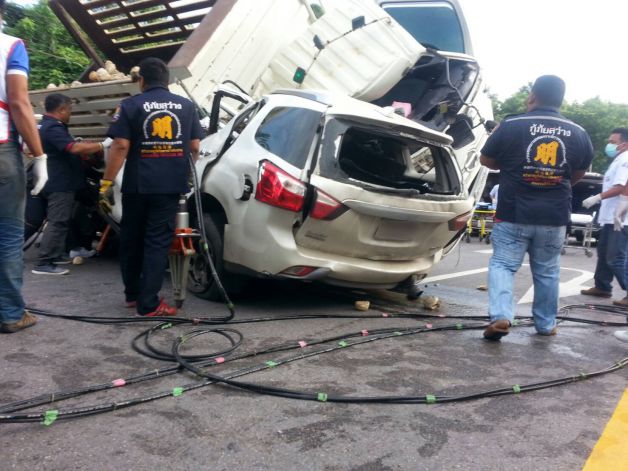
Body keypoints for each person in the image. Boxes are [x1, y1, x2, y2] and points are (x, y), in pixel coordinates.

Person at [479, 75, 594, 341]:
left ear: (532, 96)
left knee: (504, 265)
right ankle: (545, 325)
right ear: (561, 99)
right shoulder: (578, 132)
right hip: (554, 215)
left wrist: (511, 167)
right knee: (547, 270)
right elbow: (577, 174)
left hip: (512, 212)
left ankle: (501, 317)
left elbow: (486, 160)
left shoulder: (511, 125)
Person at [101, 57, 202, 316]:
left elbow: (120, 146)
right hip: (168, 186)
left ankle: (133, 296)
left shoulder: (129, 105)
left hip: (136, 185)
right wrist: (185, 172)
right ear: (167, 81)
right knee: (157, 242)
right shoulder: (186, 106)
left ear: (142, 81)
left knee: (132, 239)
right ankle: (149, 304)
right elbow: (194, 147)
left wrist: (106, 183)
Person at [0, 0, 48, 333]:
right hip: (2, 151)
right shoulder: (11, 46)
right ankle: (11, 313)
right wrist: (40, 155)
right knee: (7, 235)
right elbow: (18, 102)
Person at [32, 93, 112, 275]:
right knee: (58, 221)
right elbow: (73, 148)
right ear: (61, 110)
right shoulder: (52, 128)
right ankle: (44, 263)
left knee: (64, 219)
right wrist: (103, 145)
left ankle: (57, 254)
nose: (70, 114)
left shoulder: (48, 126)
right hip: (59, 183)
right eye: (69, 110)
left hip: (56, 180)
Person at [579, 128, 628, 300]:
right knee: (604, 252)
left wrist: (597, 197)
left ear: (624, 144)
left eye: (613, 142)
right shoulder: (618, 160)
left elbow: (621, 187)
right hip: (610, 217)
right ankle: (602, 286)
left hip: (620, 218)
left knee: (616, 258)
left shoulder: (625, 160)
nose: (609, 145)